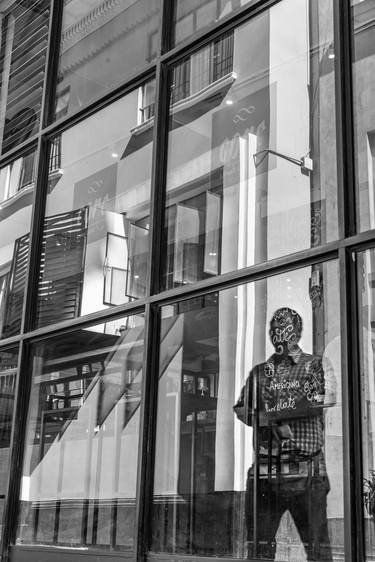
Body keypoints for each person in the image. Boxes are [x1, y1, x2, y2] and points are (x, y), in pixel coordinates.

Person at [234, 307, 335, 561]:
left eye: (285, 328)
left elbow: (321, 400)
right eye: (274, 329)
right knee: (258, 550)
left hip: (307, 470)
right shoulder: (259, 372)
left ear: (297, 332)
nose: (278, 333)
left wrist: (277, 410)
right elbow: (241, 408)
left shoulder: (313, 365)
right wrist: (272, 419)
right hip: (265, 472)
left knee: (318, 550)